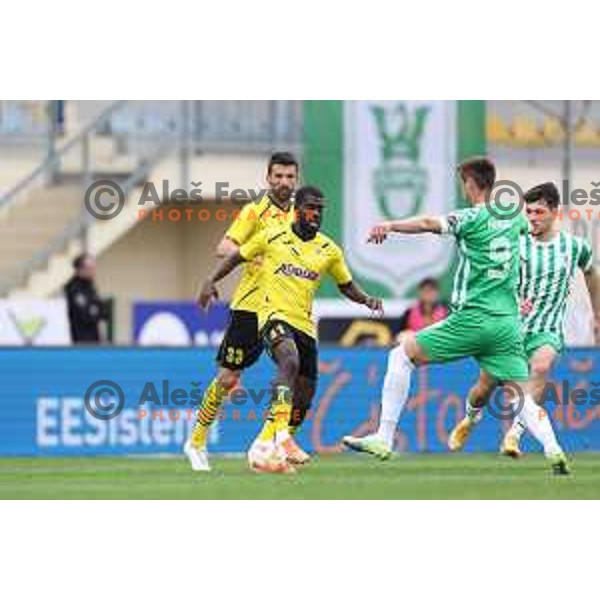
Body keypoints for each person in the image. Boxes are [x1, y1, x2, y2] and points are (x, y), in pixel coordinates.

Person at [343, 157, 570, 474]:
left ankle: (383, 437)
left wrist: (390, 225)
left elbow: (426, 224)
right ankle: (554, 449)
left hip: (473, 318)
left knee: (401, 357)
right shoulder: (515, 219)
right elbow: (530, 244)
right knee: (522, 397)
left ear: (471, 183)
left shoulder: (471, 217)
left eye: (463, 182)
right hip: (506, 325)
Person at [196, 186, 383, 473]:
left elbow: (345, 285)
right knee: (289, 361)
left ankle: (263, 448)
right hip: (272, 316)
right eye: (310, 207)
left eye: (320, 209)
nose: (316, 213)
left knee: (306, 393)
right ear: (297, 210)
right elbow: (235, 256)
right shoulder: (272, 236)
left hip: (305, 325)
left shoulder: (329, 250)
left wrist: (366, 299)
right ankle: (281, 437)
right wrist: (211, 280)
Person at [449, 182, 600, 461]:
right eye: (528, 211)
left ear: (555, 212)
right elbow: (493, 276)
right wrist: (514, 299)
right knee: (483, 389)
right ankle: (470, 418)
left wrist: (597, 316)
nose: (532, 217)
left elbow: (591, 274)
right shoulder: (515, 242)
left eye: (539, 211)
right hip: (510, 329)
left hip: (547, 329)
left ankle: (514, 434)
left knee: (541, 367)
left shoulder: (574, 246)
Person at [184, 151, 299, 472]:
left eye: (289, 176)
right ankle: (196, 441)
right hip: (250, 307)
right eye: (278, 176)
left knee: (294, 370)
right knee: (228, 378)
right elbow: (223, 246)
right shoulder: (254, 211)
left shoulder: (300, 215)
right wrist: (254, 256)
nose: (283, 182)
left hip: (284, 309)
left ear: (296, 179)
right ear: (268, 178)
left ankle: (271, 444)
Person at [64, 254, 108, 344]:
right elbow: (85, 314)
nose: (93, 271)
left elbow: (103, 311)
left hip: (95, 339)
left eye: (93, 268)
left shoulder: (90, 286)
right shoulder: (73, 288)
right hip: (80, 340)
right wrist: (95, 310)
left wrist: (95, 309)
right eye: (90, 268)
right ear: (80, 269)